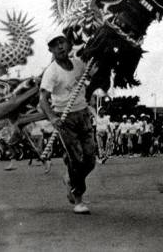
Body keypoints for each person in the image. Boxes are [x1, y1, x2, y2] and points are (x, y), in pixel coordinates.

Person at [39, 31, 96, 215]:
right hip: (65, 118)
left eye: (62, 42)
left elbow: (94, 75)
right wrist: (52, 118)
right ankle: (78, 199)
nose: (60, 47)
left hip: (83, 114)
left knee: (90, 160)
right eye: (55, 45)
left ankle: (70, 179)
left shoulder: (80, 65)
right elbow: (43, 99)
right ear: (51, 49)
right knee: (76, 159)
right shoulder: (51, 72)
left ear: (69, 44)